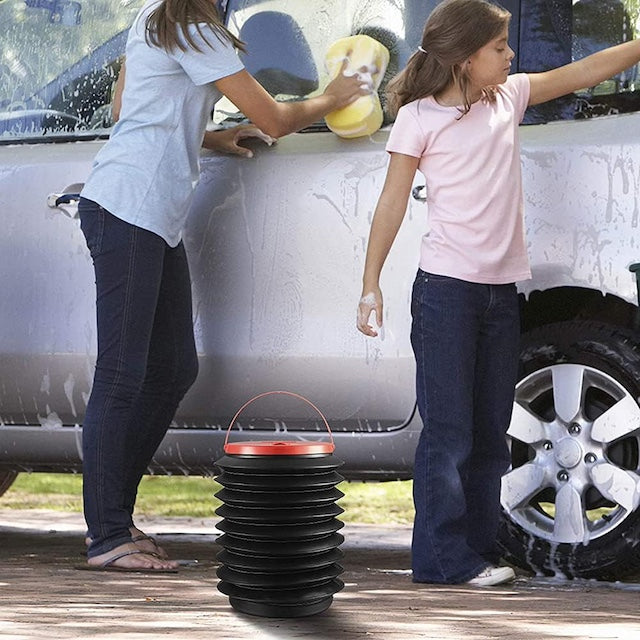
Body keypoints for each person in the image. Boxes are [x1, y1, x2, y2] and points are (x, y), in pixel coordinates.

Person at [356, 0, 640, 587]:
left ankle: (478, 554)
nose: (510, 56)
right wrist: (370, 285)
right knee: (450, 432)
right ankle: (441, 560)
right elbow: (389, 202)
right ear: (464, 59)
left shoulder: (506, 98)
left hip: (498, 293)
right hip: (446, 294)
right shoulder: (419, 118)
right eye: (498, 49)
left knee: (489, 429)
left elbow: (584, 72)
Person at [78, 0, 369, 572]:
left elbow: (126, 110)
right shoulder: (191, 27)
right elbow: (277, 120)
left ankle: (114, 520)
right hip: (129, 209)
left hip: (145, 214)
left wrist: (209, 138)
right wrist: (338, 95)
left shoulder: (156, 17)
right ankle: (107, 534)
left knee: (173, 369)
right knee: (121, 374)